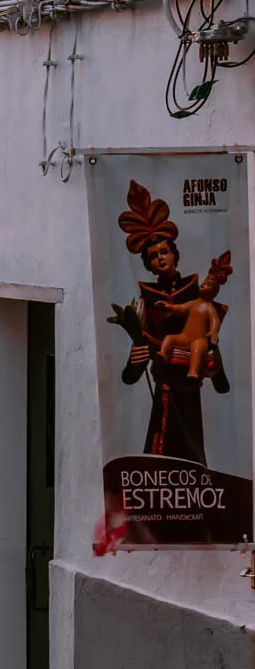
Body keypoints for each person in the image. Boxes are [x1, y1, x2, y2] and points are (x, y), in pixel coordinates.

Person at [116, 180, 232, 465]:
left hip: (190, 397)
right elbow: (131, 376)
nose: (160, 259)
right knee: (160, 465)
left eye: (164, 252)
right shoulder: (145, 302)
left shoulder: (196, 294)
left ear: (174, 255)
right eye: (154, 256)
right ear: (148, 264)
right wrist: (135, 360)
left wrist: (215, 368)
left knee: (192, 466)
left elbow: (219, 376)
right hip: (164, 395)